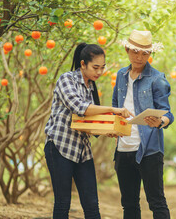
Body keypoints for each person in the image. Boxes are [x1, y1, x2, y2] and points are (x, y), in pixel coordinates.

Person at [44, 43, 132, 219]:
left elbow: (87, 121)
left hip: (82, 150)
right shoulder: (66, 79)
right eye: (95, 67)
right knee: (63, 203)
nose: (99, 72)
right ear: (83, 64)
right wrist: (113, 110)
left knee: (92, 205)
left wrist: (108, 129)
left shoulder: (91, 86)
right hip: (60, 146)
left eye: (102, 68)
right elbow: (79, 108)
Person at [112, 30, 174, 219]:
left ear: (150, 54)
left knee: (156, 202)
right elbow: (115, 106)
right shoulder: (121, 75)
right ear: (127, 50)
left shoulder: (157, 78)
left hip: (149, 150)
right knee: (129, 204)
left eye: (145, 53)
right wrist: (113, 128)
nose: (139, 57)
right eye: (135, 52)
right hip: (123, 149)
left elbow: (168, 113)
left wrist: (160, 122)